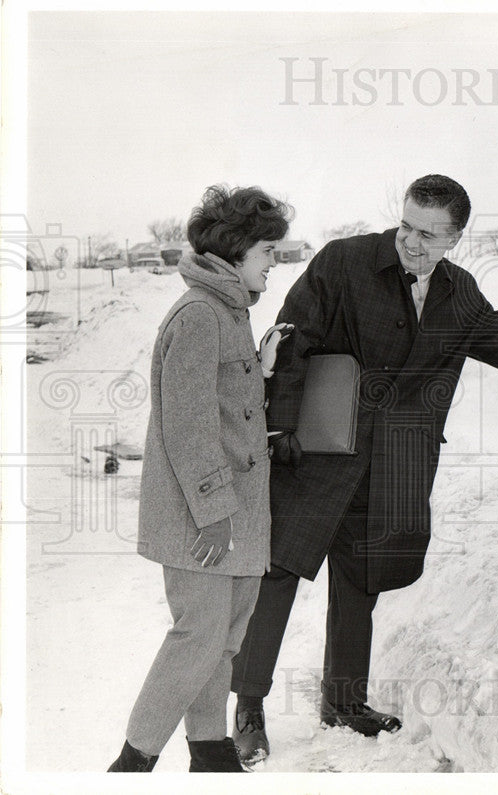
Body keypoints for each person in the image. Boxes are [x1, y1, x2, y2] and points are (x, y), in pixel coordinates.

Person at [230, 174, 498, 763]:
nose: (410, 242)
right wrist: (280, 427)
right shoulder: (344, 263)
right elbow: (294, 339)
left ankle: (344, 702)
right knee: (278, 573)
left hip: (393, 462)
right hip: (320, 451)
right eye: (406, 226)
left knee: (360, 582)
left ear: (455, 238)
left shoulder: (458, 294)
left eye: (428, 234)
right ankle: (248, 708)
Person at [107, 185, 293, 773]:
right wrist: (214, 514)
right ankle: (131, 765)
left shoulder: (228, 310)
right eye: (267, 250)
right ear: (236, 252)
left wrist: (257, 372)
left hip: (235, 512)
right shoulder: (198, 315)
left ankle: (210, 753)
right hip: (204, 516)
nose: (273, 262)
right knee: (197, 639)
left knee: (224, 641)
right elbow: (186, 426)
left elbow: (221, 407)